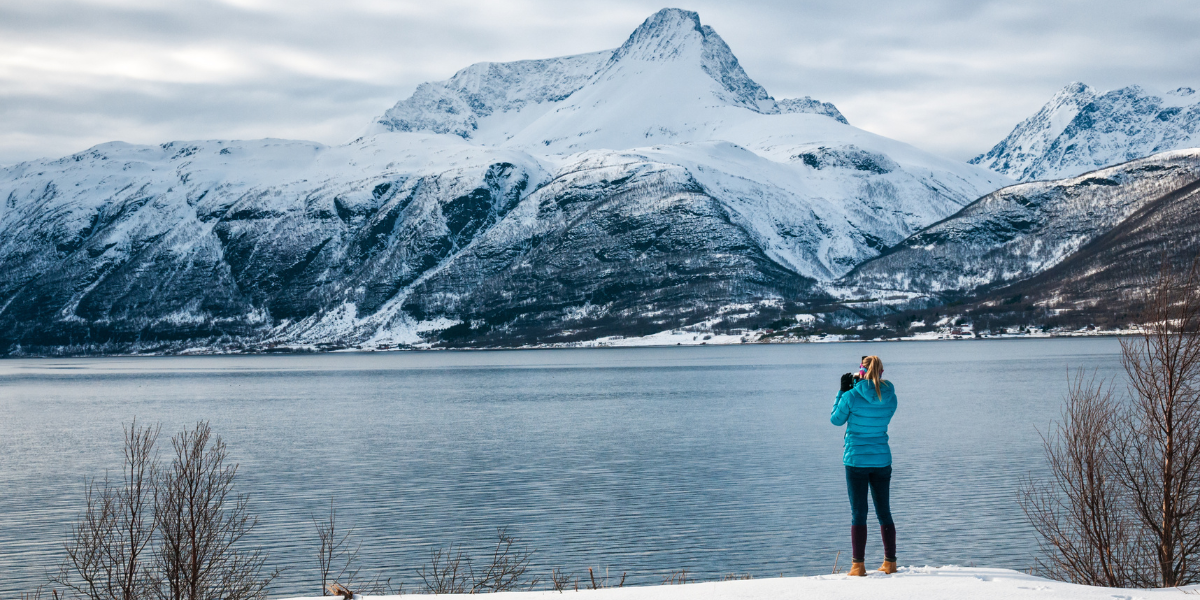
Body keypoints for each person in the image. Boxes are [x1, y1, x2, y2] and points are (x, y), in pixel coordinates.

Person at [830, 355, 898, 576]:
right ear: (881, 372)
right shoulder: (890, 397)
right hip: (881, 460)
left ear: (861, 372)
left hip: (856, 460)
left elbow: (836, 420)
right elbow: (882, 416)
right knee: (884, 511)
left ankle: (858, 566)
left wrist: (842, 391)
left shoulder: (851, 396)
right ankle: (890, 562)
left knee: (859, 513)